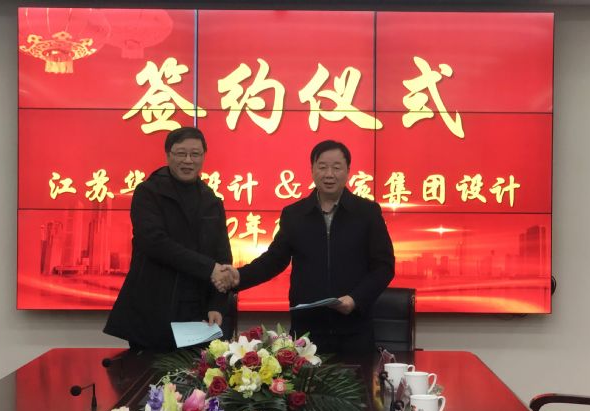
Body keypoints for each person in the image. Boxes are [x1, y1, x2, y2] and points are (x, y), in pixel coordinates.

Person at [222, 140, 395, 355]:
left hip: (355, 330)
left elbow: (384, 266)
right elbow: (274, 260)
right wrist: (240, 276)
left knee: (356, 378)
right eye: (322, 167)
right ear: (312, 170)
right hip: (308, 332)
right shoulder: (295, 214)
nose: (329, 174)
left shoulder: (367, 212)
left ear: (348, 171)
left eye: (336, 167)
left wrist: (356, 299)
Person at [104, 127, 235, 351]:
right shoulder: (148, 192)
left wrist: (217, 304)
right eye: (181, 153)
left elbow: (222, 255)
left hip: (198, 312)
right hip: (154, 307)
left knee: (198, 371)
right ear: (168, 155)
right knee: (149, 372)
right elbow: (154, 242)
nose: (188, 160)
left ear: (203, 156)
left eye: (195, 154)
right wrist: (208, 268)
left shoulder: (211, 200)